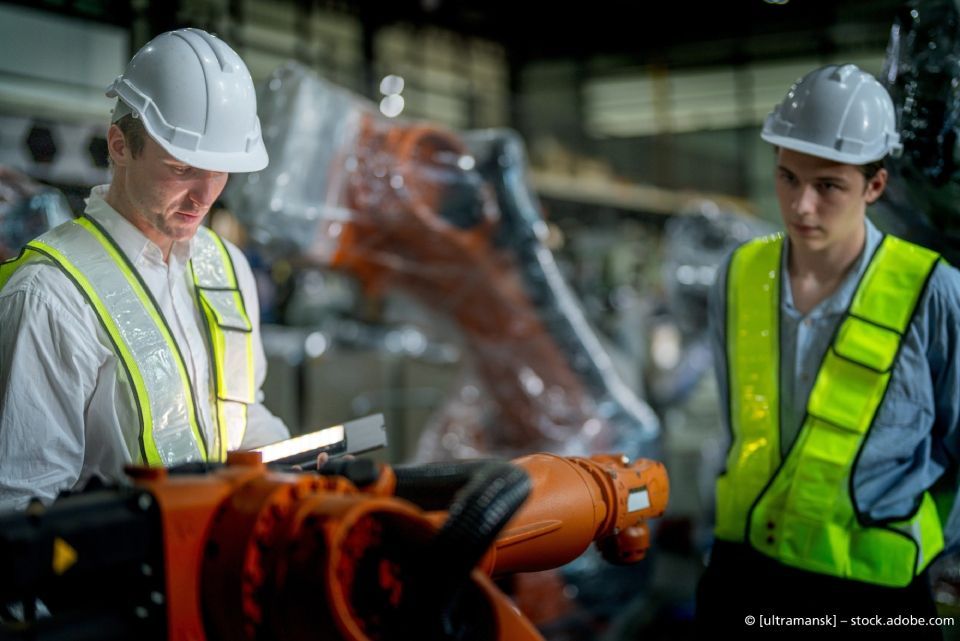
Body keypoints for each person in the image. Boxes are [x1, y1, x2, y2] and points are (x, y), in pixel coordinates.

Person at [696, 63, 960, 638]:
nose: (801, 207)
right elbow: (738, 429)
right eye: (788, 178)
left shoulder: (933, 293)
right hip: (744, 572)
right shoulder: (740, 274)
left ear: (875, 186)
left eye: (828, 186)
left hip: (868, 588)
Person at [0, 28, 289, 512]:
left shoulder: (227, 266)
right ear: (119, 145)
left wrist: (296, 467)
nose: (204, 196)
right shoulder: (51, 296)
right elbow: (24, 502)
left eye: (219, 171)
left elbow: (241, 413)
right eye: (181, 168)